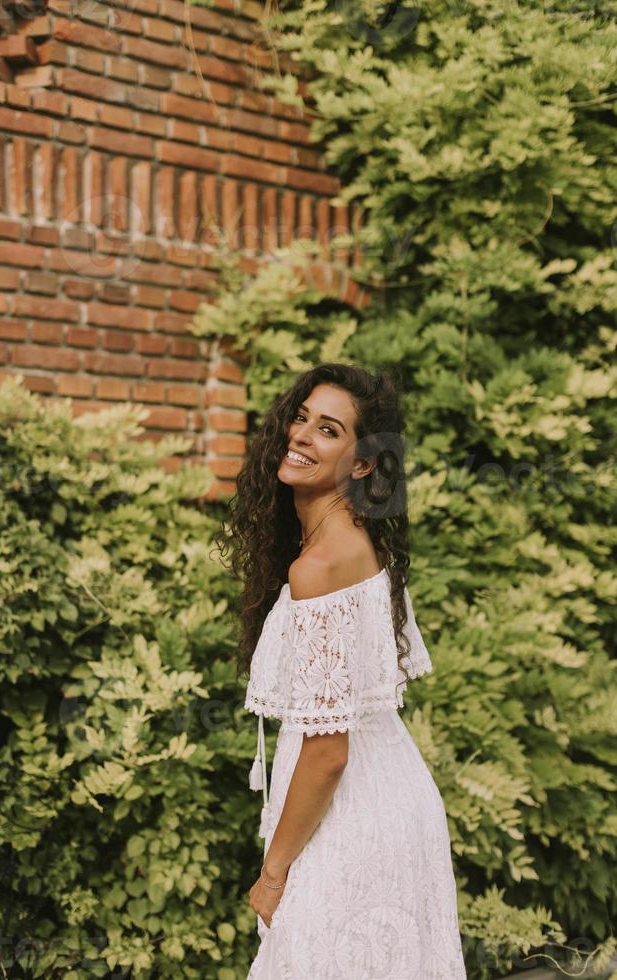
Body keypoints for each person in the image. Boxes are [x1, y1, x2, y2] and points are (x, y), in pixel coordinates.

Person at [216, 362, 467, 978]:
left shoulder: (320, 565)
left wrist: (273, 875)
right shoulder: (359, 541)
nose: (302, 434)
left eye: (329, 430)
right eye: (301, 418)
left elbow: (329, 751)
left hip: (354, 826)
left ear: (362, 465)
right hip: (392, 801)